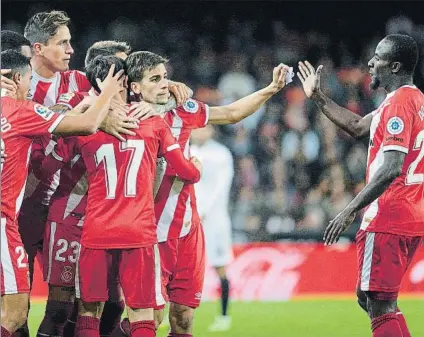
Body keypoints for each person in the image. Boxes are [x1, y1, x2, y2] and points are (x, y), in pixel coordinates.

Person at [114, 51, 290, 337]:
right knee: (150, 317)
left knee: (183, 318)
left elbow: (231, 113)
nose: (164, 84)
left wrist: (270, 89)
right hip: (150, 231)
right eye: (155, 79)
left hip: (187, 228)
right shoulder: (123, 117)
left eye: (165, 78)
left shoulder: (182, 109)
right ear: (134, 87)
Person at [52, 55, 202, 337]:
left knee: (88, 313)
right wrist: (196, 167)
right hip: (139, 230)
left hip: (96, 229)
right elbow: (188, 173)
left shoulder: (84, 126)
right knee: (142, 314)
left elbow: (49, 160)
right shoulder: (154, 124)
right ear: (126, 83)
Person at [297, 34, 424, 337]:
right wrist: (318, 97)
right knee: (369, 297)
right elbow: (357, 127)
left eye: (378, 58)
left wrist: (350, 209)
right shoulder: (412, 100)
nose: (370, 63)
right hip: (410, 213)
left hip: (389, 215)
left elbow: (392, 167)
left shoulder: (399, 105)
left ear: (394, 66)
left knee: (380, 305)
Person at [0, 49, 122, 337]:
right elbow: (88, 124)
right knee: (16, 313)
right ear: (17, 78)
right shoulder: (20, 111)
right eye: (28, 80)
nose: (30, 87)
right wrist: (107, 92)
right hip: (4, 223)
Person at [190, 125, 235, 332]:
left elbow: (222, 186)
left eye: (204, 128)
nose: (200, 132)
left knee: (220, 267)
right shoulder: (187, 150)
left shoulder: (221, 154)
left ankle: (224, 316)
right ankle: (171, 314)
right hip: (191, 219)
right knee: (179, 269)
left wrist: (205, 208)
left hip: (215, 221)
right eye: (196, 128)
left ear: (212, 130)